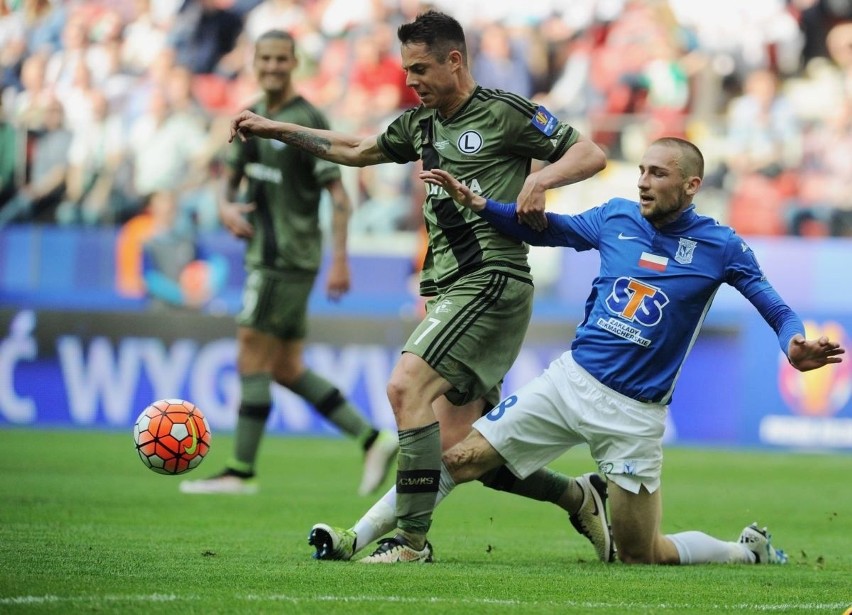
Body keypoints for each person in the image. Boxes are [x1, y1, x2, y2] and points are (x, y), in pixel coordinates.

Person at [228, 10, 608, 563]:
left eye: (422, 69)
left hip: (491, 279)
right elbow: (356, 151)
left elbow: (590, 152)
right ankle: (580, 496)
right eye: (407, 71)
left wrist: (540, 178)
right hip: (450, 286)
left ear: (455, 60)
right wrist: (276, 129)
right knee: (462, 452)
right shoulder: (420, 124)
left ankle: (408, 541)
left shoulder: (504, 112)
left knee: (405, 387)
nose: (413, 81)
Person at [418, 137, 845, 565]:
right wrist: (483, 205)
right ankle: (386, 539)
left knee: (641, 554)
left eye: (658, 173)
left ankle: (747, 553)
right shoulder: (616, 216)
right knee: (459, 458)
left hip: (636, 415)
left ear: (692, 184)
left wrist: (792, 342)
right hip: (573, 381)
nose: (643, 181)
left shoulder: (721, 245)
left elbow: (774, 306)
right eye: (642, 170)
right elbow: (549, 228)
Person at [180, 29, 399, 497]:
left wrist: (341, 259)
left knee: (249, 355)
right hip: (270, 256)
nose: (275, 67)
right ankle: (372, 438)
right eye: (267, 59)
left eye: (283, 59)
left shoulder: (304, 119)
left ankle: (240, 472)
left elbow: (339, 197)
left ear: (294, 62)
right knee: (285, 366)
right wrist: (224, 205)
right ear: (254, 62)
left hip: (285, 260)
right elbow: (229, 176)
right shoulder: (252, 117)